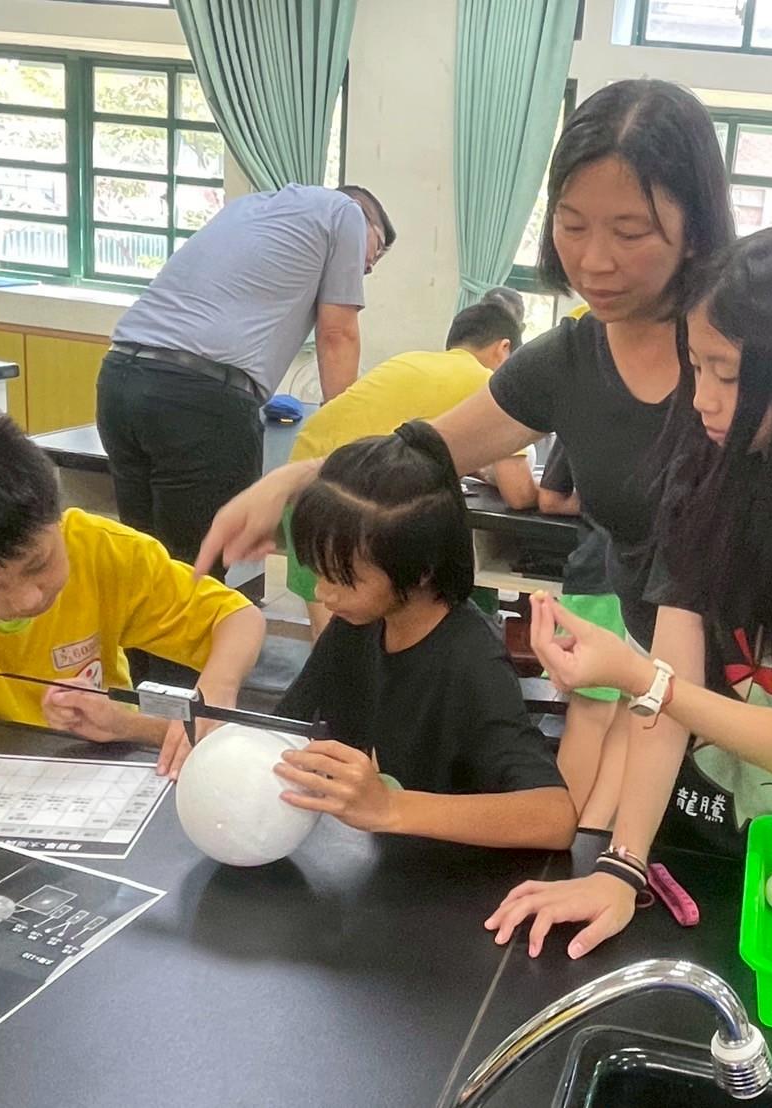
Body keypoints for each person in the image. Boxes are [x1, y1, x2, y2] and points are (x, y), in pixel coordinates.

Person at [486, 225, 772, 957]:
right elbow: (668, 698)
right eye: (695, 365)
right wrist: (623, 864)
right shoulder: (705, 477)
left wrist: (640, 677)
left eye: (725, 374)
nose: (700, 398)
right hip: (691, 849)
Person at [192, 79, 734, 653]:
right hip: (662, 661)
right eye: (572, 225)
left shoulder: (745, 347)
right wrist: (290, 479)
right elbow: (423, 450)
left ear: (695, 230)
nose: (594, 261)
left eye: (630, 232)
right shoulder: (569, 360)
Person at [0, 402, 266, 787]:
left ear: (55, 514)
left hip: (97, 769)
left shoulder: (100, 550)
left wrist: (214, 692)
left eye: (38, 564)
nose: (26, 599)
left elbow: (236, 618)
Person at [271, 422, 576, 850]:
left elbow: (554, 816)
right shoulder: (357, 624)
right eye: (318, 571)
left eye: (344, 578)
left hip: (459, 877)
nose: (323, 593)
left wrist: (390, 808)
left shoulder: (471, 662)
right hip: (389, 865)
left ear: (420, 570)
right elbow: (286, 727)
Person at [97, 183, 395, 577]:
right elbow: (337, 334)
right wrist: (345, 443)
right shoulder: (346, 212)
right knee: (197, 574)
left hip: (119, 380)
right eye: (377, 250)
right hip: (196, 401)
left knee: (144, 564)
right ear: (364, 215)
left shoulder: (250, 207)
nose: (368, 267)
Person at [285, 300, 538, 636]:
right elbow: (518, 493)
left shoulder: (416, 361)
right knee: (348, 638)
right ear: (504, 349)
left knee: (331, 640)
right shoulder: (488, 382)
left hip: (303, 486)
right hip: (345, 501)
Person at [536, 441, 627, 829]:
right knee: (633, 712)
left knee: (590, 714)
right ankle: (591, 831)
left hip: (601, 574)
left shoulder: (584, 409)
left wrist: (596, 503)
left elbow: (550, 499)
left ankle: (558, 831)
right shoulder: (691, 416)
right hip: (663, 584)